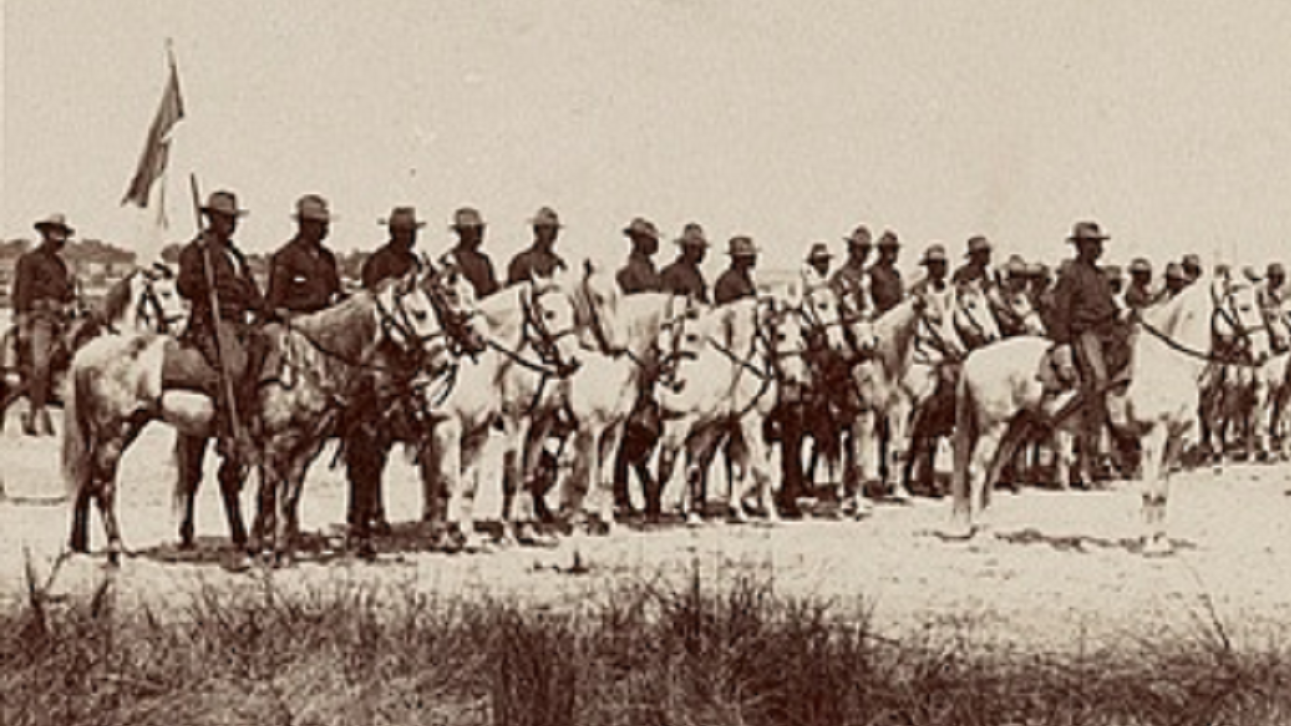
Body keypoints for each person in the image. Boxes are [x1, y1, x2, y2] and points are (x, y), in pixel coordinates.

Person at [173, 190, 270, 458]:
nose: (230, 224)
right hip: (210, 322)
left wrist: (269, 312)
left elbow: (251, 293)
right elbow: (183, 286)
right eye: (225, 219)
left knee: (268, 354)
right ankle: (227, 430)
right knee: (235, 366)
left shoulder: (235, 255)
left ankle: (254, 421)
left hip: (238, 321)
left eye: (233, 219)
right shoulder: (197, 249)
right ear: (212, 219)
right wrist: (204, 285)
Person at [1048, 221, 1120, 487]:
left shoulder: (1100, 276)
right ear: (1080, 246)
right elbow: (1061, 311)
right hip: (1083, 333)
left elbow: (1111, 308)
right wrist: (1062, 343)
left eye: (1100, 244)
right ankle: (1066, 418)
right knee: (1098, 380)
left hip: (1106, 333)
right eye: (1093, 243)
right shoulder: (1071, 274)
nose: (1098, 248)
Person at [12, 213, 77, 435]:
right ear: (45, 234)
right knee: (40, 364)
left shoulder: (61, 265)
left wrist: (72, 302)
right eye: (55, 233)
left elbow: (67, 295)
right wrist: (22, 325)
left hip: (62, 320)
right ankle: (35, 412)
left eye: (63, 235)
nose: (60, 239)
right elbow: (20, 293)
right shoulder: (29, 260)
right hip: (39, 318)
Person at [266, 194, 342, 317]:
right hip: (296, 320)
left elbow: (336, 291)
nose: (325, 230)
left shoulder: (327, 257)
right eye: (320, 225)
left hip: (325, 320)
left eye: (325, 225)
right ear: (304, 225)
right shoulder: (285, 257)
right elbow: (275, 300)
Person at [362, 206, 424, 291]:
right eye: (407, 232)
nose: (413, 237)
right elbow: (370, 293)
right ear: (394, 233)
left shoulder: (413, 260)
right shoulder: (378, 261)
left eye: (413, 232)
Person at [446, 207, 500, 299]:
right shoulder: (450, 260)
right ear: (462, 233)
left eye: (481, 230)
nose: (480, 235)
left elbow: (493, 291)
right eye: (476, 230)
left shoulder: (484, 260)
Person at [506, 206, 566, 285]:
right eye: (547, 228)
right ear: (536, 230)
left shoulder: (558, 263)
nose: (552, 234)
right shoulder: (521, 262)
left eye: (555, 230)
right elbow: (513, 292)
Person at [659, 223, 710, 303]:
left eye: (702, 249)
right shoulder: (671, 273)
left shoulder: (696, 274)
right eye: (698, 249)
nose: (703, 253)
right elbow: (665, 303)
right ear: (686, 249)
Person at [831, 225, 873, 319]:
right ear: (851, 249)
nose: (865, 254)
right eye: (862, 249)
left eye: (867, 250)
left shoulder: (866, 276)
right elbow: (835, 304)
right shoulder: (840, 276)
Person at [616, 217, 662, 294]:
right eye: (650, 239)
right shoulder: (638, 264)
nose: (655, 243)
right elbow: (651, 286)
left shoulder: (645, 263)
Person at [714, 236, 759, 305]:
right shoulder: (729, 279)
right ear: (740, 259)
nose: (755, 258)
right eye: (750, 256)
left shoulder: (743, 277)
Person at [868, 231, 904, 315]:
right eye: (893, 249)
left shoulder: (896, 274)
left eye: (896, 249)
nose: (896, 254)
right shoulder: (872, 272)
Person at [1258, 262, 1290, 353]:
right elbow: (1259, 305)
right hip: (1267, 315)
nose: (1275, 279)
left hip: (1281, 313)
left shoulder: (1286, 287)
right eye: (1272, 277)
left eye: (1278, 277)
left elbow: (1282, 301)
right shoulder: (1262, 289)